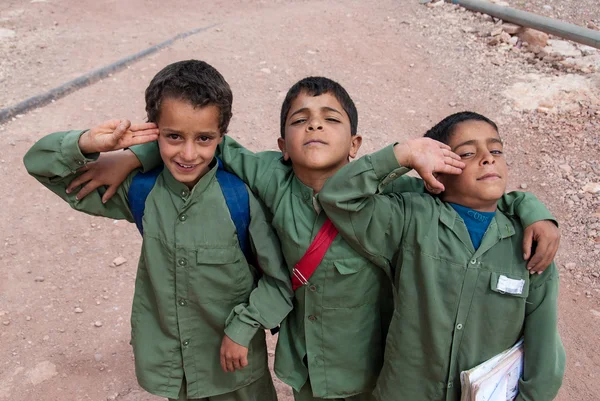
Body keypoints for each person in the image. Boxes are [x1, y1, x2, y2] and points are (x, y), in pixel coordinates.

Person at [66, 78, 561, 401]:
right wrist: (138, 155)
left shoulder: (396, 191)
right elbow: (201, 138)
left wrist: (532, 208)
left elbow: (474, 195)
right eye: (300, 120)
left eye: (330, 119)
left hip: (380, 369)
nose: (316, 126)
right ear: (281, 146)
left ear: (358, 146)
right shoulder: (267, 176)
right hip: (308, 366)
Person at [23, 60, 293, 401]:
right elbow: (40, 165)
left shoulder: (239, 198)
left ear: (221, 137)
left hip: (237, 375)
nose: (189, 153)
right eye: (173, 136)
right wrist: (91, 143)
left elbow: (279, 281)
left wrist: (242, 328)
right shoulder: (142, 191)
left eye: (204, 138)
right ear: (155, 131)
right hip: (174, 371)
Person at [318, 111, 566, 401]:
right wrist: (404, 154)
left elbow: (544, 356)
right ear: (436, 173)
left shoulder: (531, 245)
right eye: (468, 153)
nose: (488, 158)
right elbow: (338, 196)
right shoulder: (412, 219)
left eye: (496, 149)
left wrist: (528, 204)